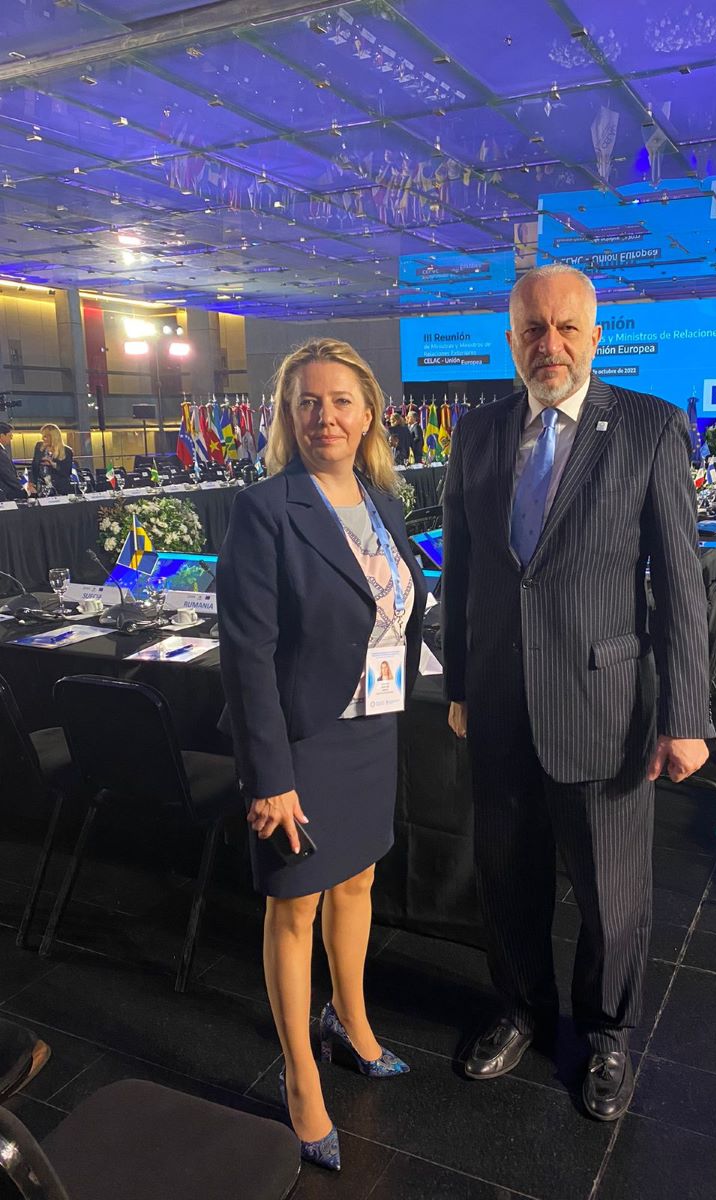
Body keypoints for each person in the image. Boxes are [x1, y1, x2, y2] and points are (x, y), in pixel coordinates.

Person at [441, 264, 710, 1122]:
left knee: (612, 895)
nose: (548, 345)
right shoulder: (476, 432)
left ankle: (606, 1034)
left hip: (604, 706)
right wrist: (459, 683)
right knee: (505, 875)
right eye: (532, 329)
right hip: (498, 703)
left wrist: (686, 716)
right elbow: (461, 569)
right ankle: (522, 1008)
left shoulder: (648, 428)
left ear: (596, 336)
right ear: (510, 340)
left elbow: (681, 586)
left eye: (565, 328)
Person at [217, 338, 427, 1172]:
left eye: (340, 401)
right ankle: (301, 1075)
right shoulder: (265, 509)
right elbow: (247, 654)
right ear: (287, 415)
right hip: (302, 741)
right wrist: (269, 777)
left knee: (359, 880)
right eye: (307, 402)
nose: (324, 417)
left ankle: (351, 1019)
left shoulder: (383, 502)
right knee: (295, 905)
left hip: (371, 727)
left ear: (369, 413)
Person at [30, 423, 75, 495]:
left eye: (45, 436)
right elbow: (34, 466)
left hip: (60, 488)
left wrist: (53, 464)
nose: (42, 438)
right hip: (41, 487)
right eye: (42, 436)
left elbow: (67, 472)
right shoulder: (39, 447)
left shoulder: (67, 451)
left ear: (53, 437)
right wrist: (31, 482)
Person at [0, 422, 34, 500]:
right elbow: (7, 475)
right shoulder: (1, 453)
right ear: (1, 436)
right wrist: (24, 487)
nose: (11, 438)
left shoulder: (2, 451)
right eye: (10, 435)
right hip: (7, 493)